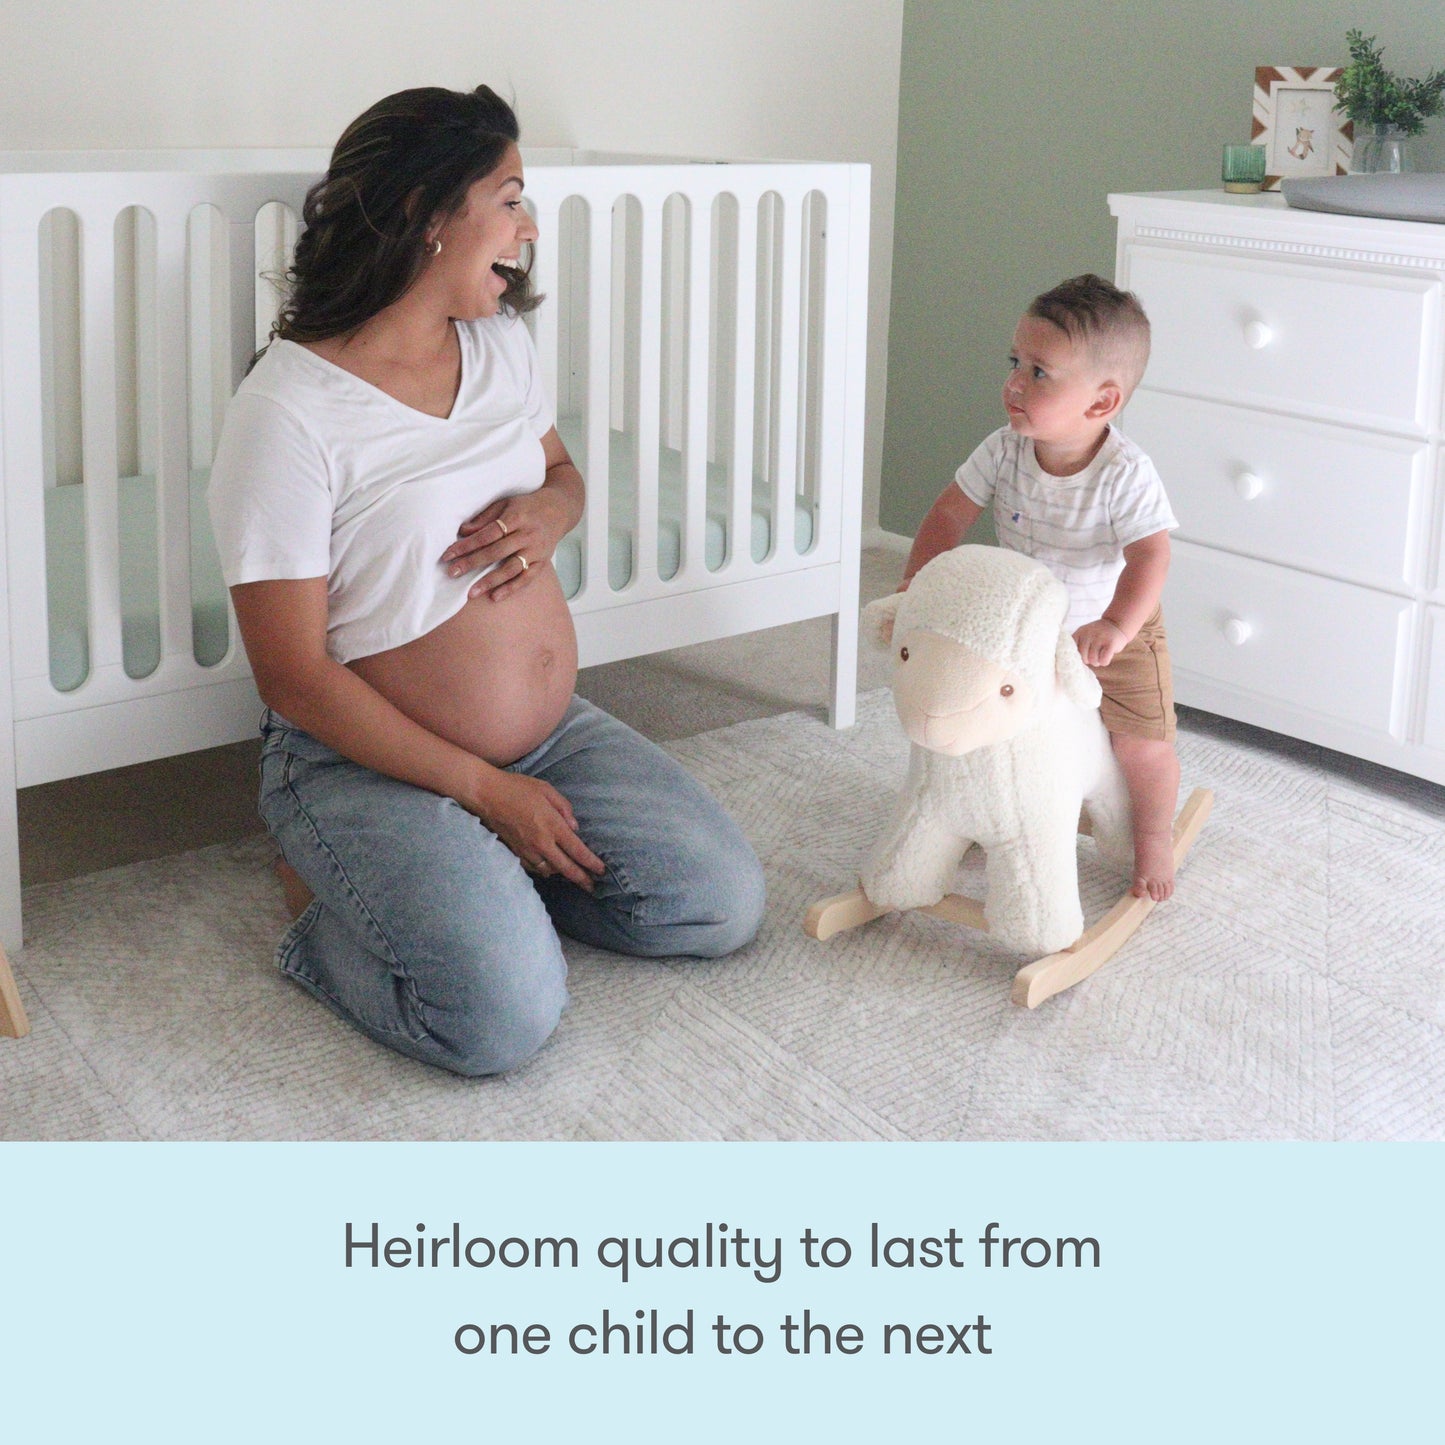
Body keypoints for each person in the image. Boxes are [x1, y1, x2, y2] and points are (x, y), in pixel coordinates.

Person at [207, 85, 765, 1076]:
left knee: (718, 900)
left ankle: (477, 874)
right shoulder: (288, 412)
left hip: (548, 737)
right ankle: (316, 900)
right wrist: (481, 789)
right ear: (426, 215)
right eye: (509, 198)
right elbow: (291, 675)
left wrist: (553, 510)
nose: (529, 227)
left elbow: (561, 477)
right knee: (499, 1016)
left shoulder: (499, 344)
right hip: (362, 762)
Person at [900, 274, 1180, 901]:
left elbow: (1149, 556)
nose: (1015, 384)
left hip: (1116, 624)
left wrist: (1117, 625)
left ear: (1102, 403)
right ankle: (985, 805)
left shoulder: (1124, 473)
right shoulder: (1004, 449)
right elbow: (948, 515)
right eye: (1015, 363)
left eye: (1039, 373)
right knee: (1000, 716)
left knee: (1139, 744)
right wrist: (917, 585)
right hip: (1024, 623)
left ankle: (1155, 834)